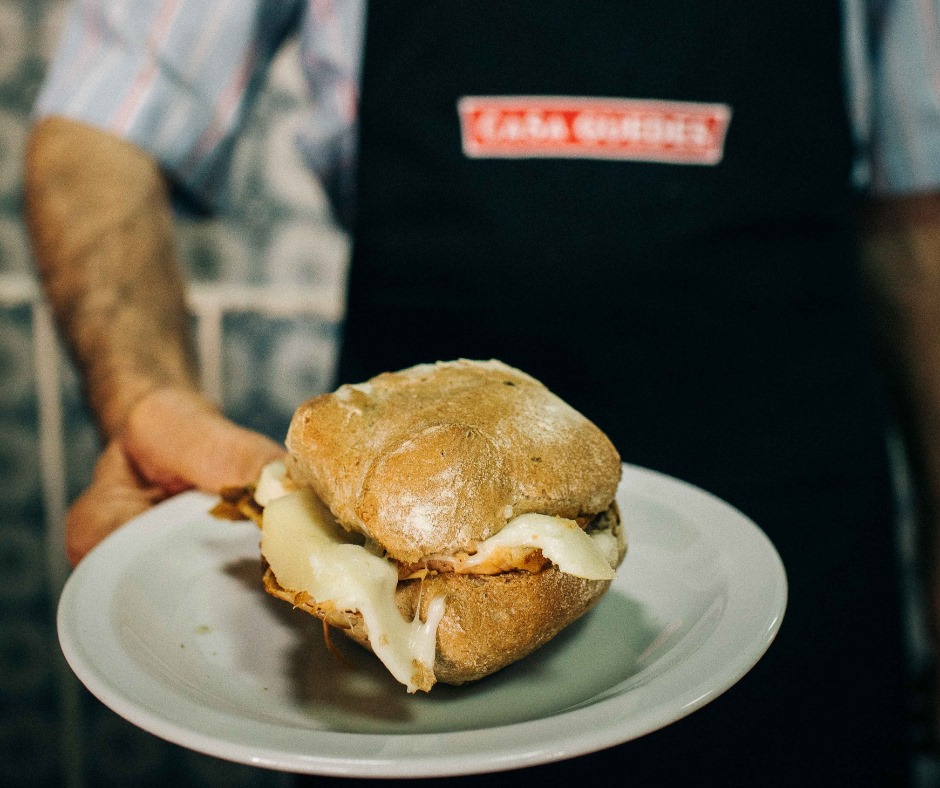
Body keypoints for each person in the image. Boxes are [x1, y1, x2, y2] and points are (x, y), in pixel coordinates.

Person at [23, 1, 940, 784]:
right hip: (401, 635)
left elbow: (919, 220)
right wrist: (147, 401)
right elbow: (98, 129)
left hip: (789, 572)